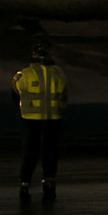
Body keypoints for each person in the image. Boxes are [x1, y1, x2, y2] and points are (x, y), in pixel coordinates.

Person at [12, 37, 68, 203]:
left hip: (30, 119)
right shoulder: (58, 73)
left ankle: (25, 183)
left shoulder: (24, 74)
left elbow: (15, 92)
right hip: (53, 118)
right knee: (50, 151)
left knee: (30, 152)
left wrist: (20, 111)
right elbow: (64, 96)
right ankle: (49, 182)